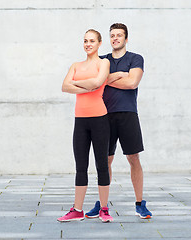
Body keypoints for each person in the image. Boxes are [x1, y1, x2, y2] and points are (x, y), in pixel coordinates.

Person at [81, 23, 152, 219]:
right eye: (112, 35)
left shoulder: (135, 58)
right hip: (104, 115)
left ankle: (140, 204)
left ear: (126, 39)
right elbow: (95, 82)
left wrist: (108, 79)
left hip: (128, 114)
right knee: (105, 161)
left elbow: (132, 83)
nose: (115, 38)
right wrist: (120, 74)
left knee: (133, 158)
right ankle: (102, 205)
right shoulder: (102, 60)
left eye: (119, 35)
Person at [57, 29, 113, 223]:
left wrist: (78, 83)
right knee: (81, 167)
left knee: (101, 166)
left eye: (91, 41)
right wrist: (87, 85)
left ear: (99, 44)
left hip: (100, 119)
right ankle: (77, 210)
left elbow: (98, 83)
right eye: (85, 41)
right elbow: (64, 86)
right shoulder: (76, 65)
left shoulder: (104, 63)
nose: (88, 44)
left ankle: (104, 209)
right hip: (80, 121)